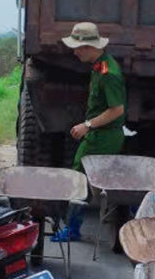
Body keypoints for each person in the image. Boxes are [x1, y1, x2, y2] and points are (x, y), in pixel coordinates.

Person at [52, 22, 126, 242]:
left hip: (103, 136)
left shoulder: (108, 73)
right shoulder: (99, 66)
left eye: (77, 47)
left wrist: (88, 125)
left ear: (88, 47)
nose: (74, 52)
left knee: (80, 179)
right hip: (100, 134)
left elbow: (117, 110)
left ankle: (73, 229)